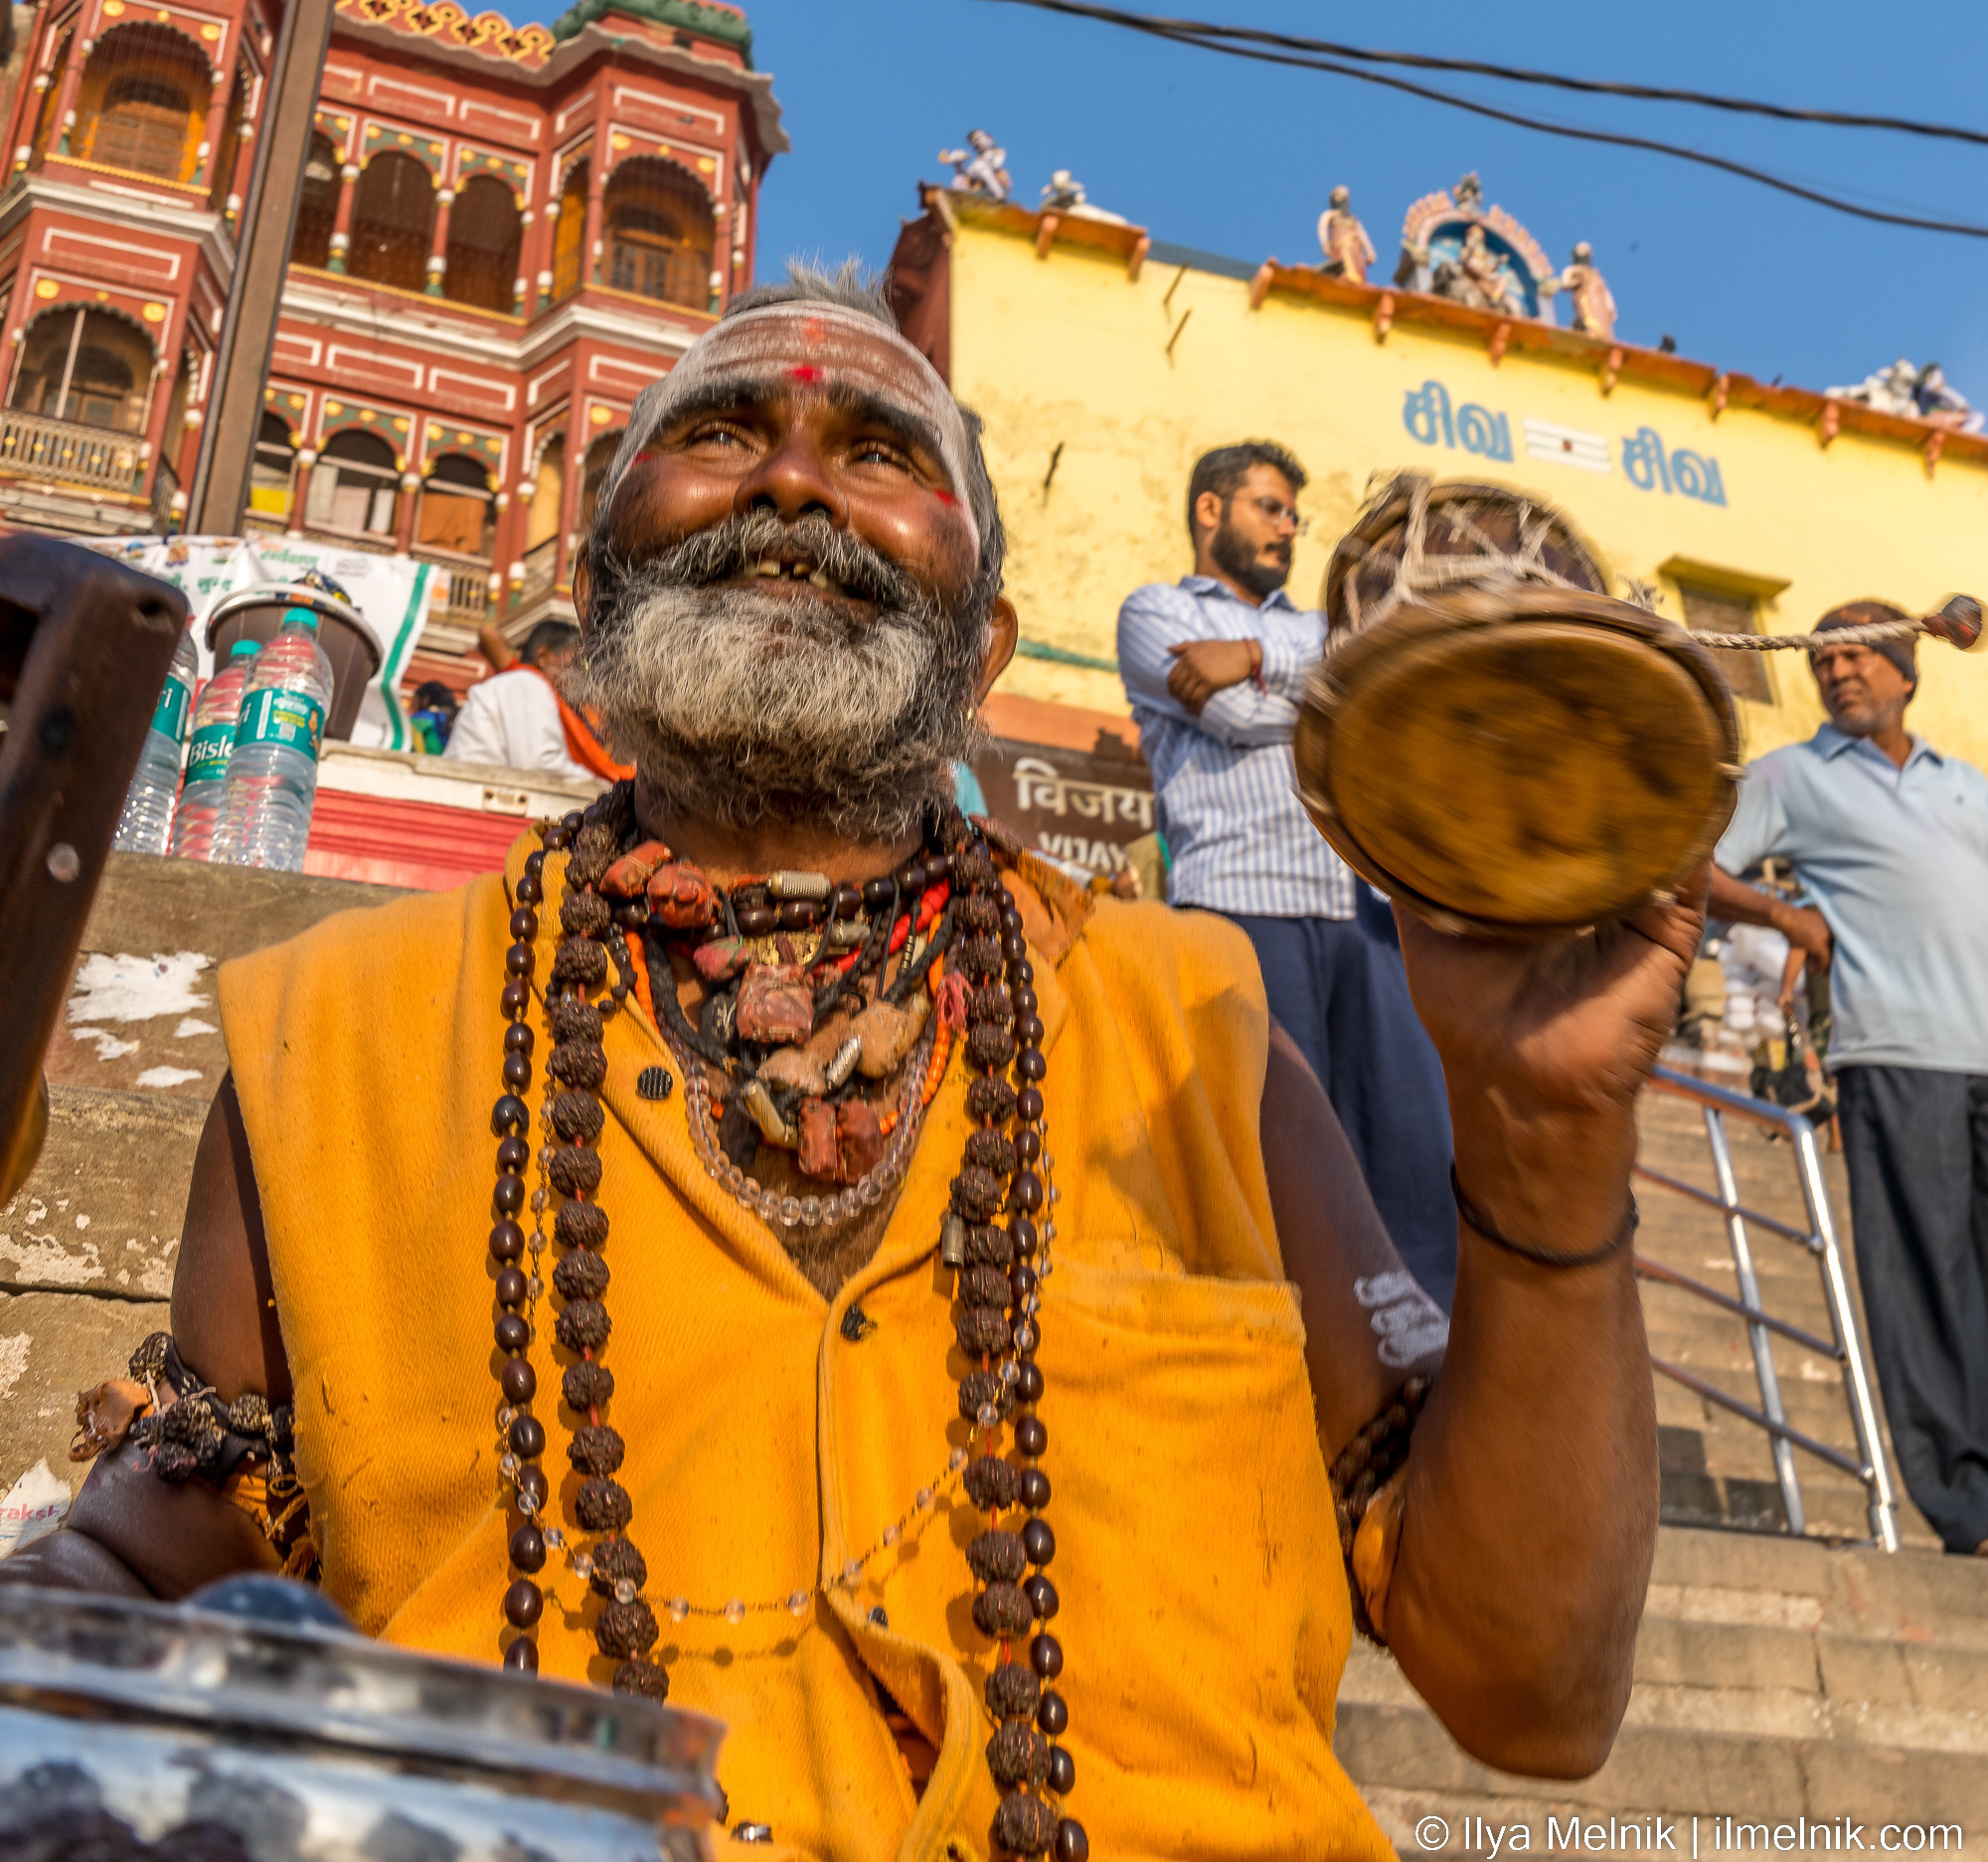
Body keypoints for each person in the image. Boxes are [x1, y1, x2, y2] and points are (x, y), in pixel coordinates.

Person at [31, 273, 1687, 1860]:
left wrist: (1543, 1135)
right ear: (598, 603)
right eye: (725, 435)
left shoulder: (1200, 1029)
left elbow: (1533, 1694)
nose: (799, 483)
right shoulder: (338, 1039)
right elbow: (160, 1548)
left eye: (882, 455)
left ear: (982, 651)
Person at [1116, 443, 1457, 1307]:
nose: (1288, 528)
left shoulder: (1313, 628)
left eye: (1293, 516)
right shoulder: (1153, 611)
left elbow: (1387, 690)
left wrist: (1260, 661)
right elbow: (1227, 715)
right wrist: (1326, 693)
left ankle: (1440, 1373)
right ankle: (1297, 1372)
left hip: (1363, 904)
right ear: (1209, 511)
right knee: (1276, 1164)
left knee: (1412, 1159)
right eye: (1269, 508)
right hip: (1239, 909)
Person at [1709, 597, 1988, 1555]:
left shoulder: (1970, 787)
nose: (1838, 673)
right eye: (1824, 661)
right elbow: (1689, 868)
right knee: (1923, 1284)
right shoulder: (1791, 776)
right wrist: (1786, 918)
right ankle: (1967, 1507)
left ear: (1908, 674)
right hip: (1897, 1058)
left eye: (1860, 658)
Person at [446, 617, 625, 792]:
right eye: (575, 663)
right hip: (471, 795)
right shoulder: (528, 683)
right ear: (544, 656)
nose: (579, 674)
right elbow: (539, 764)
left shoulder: (522, 683)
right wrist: (602, 788)